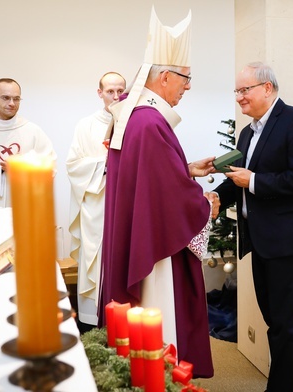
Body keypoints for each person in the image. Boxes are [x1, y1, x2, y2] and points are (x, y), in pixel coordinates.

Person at [97, 8, 217, 378]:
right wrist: (205, 205)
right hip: (156, 251)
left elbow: (152, 180)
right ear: (165, 77)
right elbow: (166, 197)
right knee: (161, 322)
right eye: (186, 78)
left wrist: (186, 170)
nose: (189, 85)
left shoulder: (137, 116)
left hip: (142, 237)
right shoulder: (149, 122)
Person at [206, 62, 293, 392]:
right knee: (274, 320)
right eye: (237, 92)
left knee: (285, 323)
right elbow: (239, 181)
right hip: (261, 240)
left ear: (268, 88)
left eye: (244, 90)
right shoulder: (247, 132)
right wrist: (217, 197)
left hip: (289, 240)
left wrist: (256, 180)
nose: (239, 98)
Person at [66, 72, 126, 332]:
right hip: (96, 207)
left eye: (120, 91)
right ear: (99, 92)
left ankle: (121, 319)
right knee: (94, 262)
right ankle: (91, 323)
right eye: (110, 91)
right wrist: (105, 165)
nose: (115, 96)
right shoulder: (86, 125)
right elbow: (73, 165)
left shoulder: (133, 122)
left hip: (124, 204)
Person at [0, 78, 56, 213]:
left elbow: (49, 169)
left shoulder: (33, 131)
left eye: (16, 99)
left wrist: (20, 169)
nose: (11, 103)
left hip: (25, 208)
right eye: (6, 98)